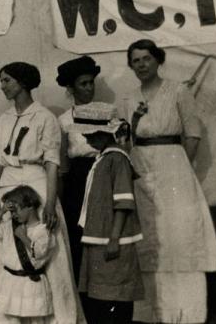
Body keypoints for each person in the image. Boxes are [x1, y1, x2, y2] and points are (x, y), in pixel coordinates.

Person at [123, 39, 216, 323]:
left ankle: (186, 313)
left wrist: (179, 168)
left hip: (174, 167)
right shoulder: (129, 97)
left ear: (158, 60)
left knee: (178, 235)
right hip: (140, 166)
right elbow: (126, 136)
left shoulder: (178, 91)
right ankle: (153, 313)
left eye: (146, 59)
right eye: (136, 60)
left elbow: (192, 134)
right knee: (150, 235)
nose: (141, 65)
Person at [0, 61, 83, 324]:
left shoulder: (45, 117)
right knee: (8, 247)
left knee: (46, 250)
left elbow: (52, 164)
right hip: (8, 187)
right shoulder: (4, 118)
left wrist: (51, 203)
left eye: (7, 80)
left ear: (22, 82)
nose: (2, 86)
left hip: (37, 185)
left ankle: (57, 318)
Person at [70, 107, 144, 324]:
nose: (86, 139)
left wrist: (114, 238)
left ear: (104, 133)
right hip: (98, 236)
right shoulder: (102, 159)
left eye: (90, 135)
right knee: (101, 294)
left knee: (116, 293)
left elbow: (123, 201)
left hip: (112, 238)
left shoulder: (117, 160)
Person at [55, 55, 116, 283]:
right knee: (79, 233)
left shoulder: (108, 112)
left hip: (103, 173)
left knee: (105, 230)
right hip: (78, 181)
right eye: (83, 84)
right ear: (71, 88)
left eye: (91, 82)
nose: (89, 88)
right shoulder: (63, 120)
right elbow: (63, 160)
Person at [0, 185, 55, 323]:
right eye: (10, 212)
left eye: (15, 210)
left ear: (29, 206)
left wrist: (23, 237)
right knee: (7, 319)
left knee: (33, 320)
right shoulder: (9, 226)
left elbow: (39, 252)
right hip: (9, 282)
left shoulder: (42, 231)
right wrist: (2, 211)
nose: (13, 215)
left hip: (31, 284)